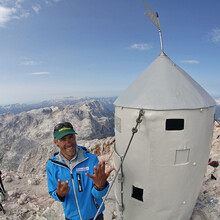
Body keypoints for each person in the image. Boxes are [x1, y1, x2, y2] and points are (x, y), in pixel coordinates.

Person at [47, 122, 114, 220]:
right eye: (63, 139)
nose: (68, 142)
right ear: (56, 142)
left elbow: (98, 195)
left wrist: (100, 186)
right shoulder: (52, 165)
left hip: (95, 216)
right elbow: (53, 191)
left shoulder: (91, 159)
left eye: (71, 137)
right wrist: (59, 194)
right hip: (71, 217)